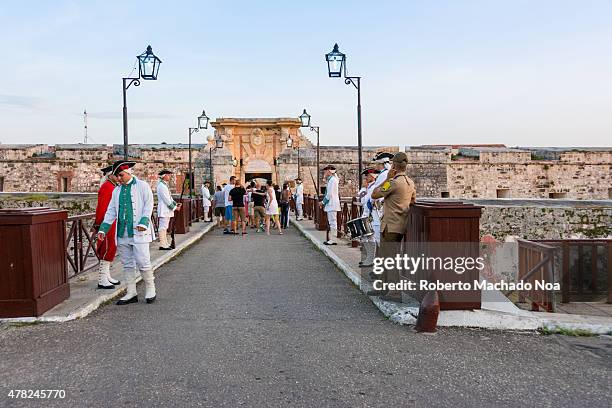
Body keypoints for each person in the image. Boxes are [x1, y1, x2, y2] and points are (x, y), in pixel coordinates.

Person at [97, 160, 157, 305]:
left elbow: (148, 205)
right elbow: (111, 211)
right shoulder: (116, 190)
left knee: (143, 261)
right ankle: (131, 292)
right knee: (127, 264)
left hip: (139, 232)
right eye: (117, 176)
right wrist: (103, 228)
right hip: (122, 232)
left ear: (129, 173)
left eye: (121, 175)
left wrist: (144, 222)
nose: (119, 178)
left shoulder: (142, 186)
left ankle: (150, 288)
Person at [367, 152, 417, 301]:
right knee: (384, 258)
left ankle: (394, 293)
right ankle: (382, 288)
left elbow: (375, 194)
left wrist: (387, 179)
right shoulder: (410, 182)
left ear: (394, 165)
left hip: (390, 226)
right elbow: (413, 200)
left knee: (390, 260)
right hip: (400, 225)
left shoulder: (393, 182)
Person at [93, 164, 121, 289]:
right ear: (110, 175)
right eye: (116, 174)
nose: (119, 177)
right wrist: (100, 224)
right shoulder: (107, 187)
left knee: (111, 248)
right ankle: (102, 279)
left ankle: (107, 275)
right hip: (107, 223)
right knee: (106, 248)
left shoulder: (112, 186)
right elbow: (103, 208)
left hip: (112, 222)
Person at [369, 152, 394, 245]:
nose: (375, 165)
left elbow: (383, 189)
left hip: (379, 207)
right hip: (378, 205)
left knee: (378, 232)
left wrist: (374, 199)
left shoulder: (385, 175)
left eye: (377, 163)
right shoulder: (384, 174)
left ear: (380, 164)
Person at [358, 168, 380, 268]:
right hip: (367, 215)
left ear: (372, 176)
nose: (365, 178)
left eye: (367, 175)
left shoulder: (374, 187)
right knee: (364, 237)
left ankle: (372, 259)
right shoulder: (370, 187)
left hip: (372, 217)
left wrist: (363, 188)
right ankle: (370, 258)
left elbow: (363, 201)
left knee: (372, 238)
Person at [321, 165, 341, 245]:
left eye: (325, 171)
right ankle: (332, 238)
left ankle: (333, 239)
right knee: (332, 222)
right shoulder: (331, 180)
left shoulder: (332, 180)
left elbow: (329, 194)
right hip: (331, 204)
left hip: (332, 204)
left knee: (332, 222)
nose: (324, 173)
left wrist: (323, 202)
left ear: (329, 171)